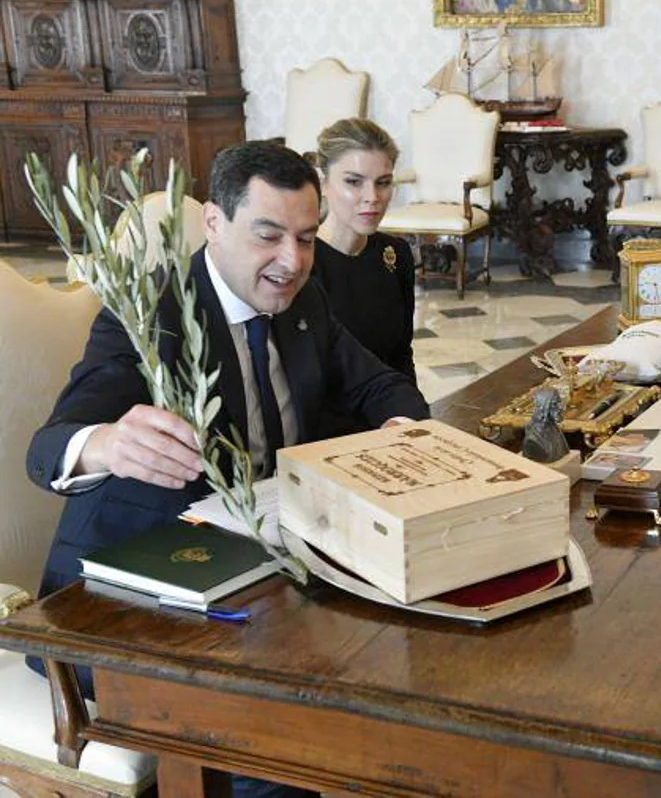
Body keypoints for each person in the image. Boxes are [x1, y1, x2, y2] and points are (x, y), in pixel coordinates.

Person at [27, 141, 429, 798]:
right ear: (214, 223)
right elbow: (48, 449)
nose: (293, 261)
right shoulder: (152, 318)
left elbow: (381, 386)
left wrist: (401, 432)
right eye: (268, 236)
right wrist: (105, 444)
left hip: (261, 579)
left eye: (305, 237)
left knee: (408, 658)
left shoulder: (305, 302)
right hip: (132, 606)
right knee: (282, 737)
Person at [311, 118, 418, 436]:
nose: (372, 197)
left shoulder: (394, 254)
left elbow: (401, 357)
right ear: (322, 182)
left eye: (383, 182)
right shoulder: (303, 264)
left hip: (391, 423)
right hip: (326, 438)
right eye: (354, 182)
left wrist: (406, 422)